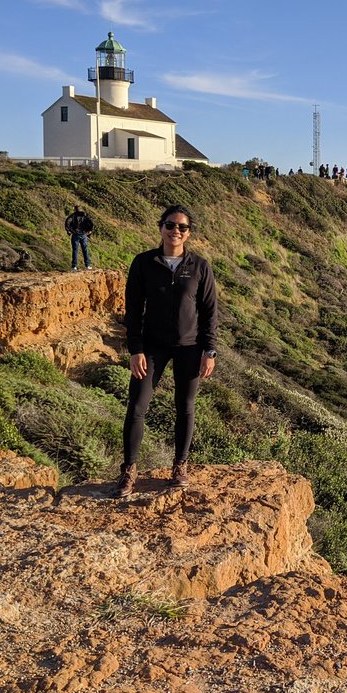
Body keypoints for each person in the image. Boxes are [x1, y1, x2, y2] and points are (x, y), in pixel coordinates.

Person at [115, 204, 219, 498]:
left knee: (185, 406)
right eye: (171, 225)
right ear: (161, 228)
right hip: (152, 347)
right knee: (137, 406)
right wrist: (135, 349)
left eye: (182, 227)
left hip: (190, 347)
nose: (176, 231)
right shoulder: (144, 263)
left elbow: (210, 311)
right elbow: (133, 310)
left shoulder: (199, 266)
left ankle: (180, 466)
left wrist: (209, 350)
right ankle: (129, 471)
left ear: (188, 233)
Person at [65, 205, 94, 271]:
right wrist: (89, 231)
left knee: (75, 250)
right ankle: (88, 265)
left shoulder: (73, 216)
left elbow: (67, 222)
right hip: (83, 235)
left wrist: (69, 230)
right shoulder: (85, 215)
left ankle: (74, 266)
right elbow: (91, 223)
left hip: (75, 235)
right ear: (81, 209)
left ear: (75, 209)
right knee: (85, 250)